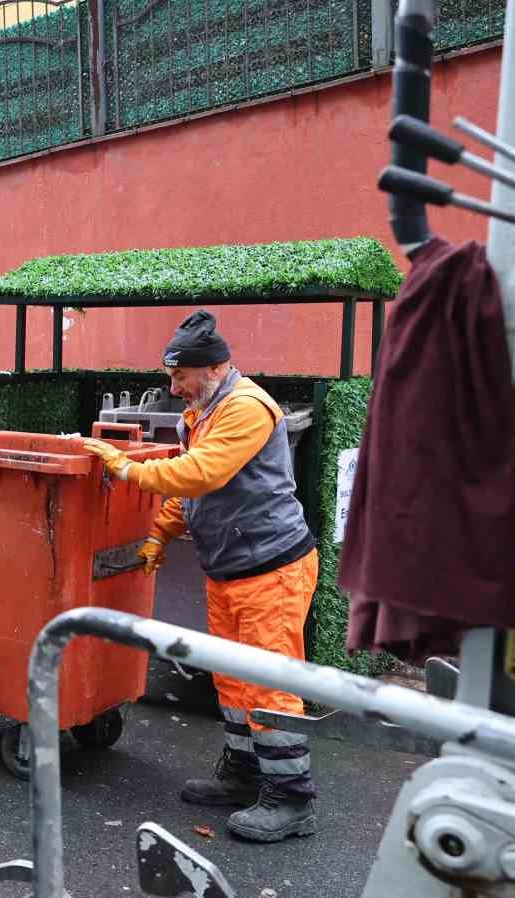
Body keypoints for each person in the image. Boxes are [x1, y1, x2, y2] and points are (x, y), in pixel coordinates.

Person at [83, 309, 319, 843]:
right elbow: (195, 496)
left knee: (271, 686)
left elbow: (199, 473)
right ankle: (244, 774)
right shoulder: (205, 412)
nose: (173, 387)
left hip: (271, 571)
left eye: (179, 376)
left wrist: (125, 469)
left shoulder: (246, 408)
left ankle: (292, 799)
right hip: (231, 569)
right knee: (232, 682)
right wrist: (158, 534)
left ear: (211, 368)